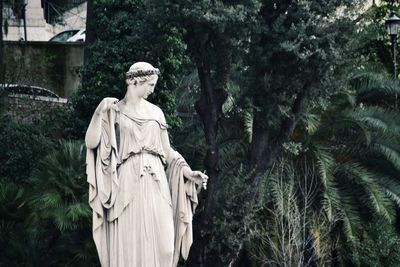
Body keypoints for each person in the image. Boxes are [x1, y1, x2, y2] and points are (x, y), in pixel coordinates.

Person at [85, 62, 208, 267]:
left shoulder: (156, 113)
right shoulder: (114, 111)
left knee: (165, 245)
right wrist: (99, 111)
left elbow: (167, 152)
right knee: (129, 243)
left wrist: (187, 172)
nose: (152, 89)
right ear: (135, 81)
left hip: (156, 183)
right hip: (126, 184)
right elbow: (91, 142)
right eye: (150, 84)